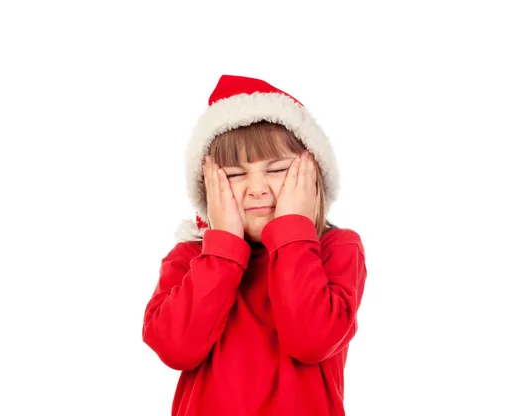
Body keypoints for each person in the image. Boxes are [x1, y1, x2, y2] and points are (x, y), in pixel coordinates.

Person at [142, 74, 367, 415]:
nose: (256, 188)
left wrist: (293, 232)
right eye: (234, 175)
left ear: (313, 178)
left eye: (276, 169)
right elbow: (176, 348)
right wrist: (224, 248)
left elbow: (311, 340)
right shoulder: (190, 257)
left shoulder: (337, 249)